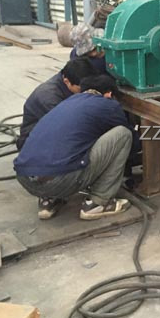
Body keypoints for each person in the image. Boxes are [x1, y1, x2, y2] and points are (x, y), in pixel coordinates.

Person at [14, 74, 139, 220]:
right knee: (123, 134)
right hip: (59, 180)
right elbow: (133, 145)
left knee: (66, 145)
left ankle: (49, 200)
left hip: (25, 177)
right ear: (109, 94)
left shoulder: (65, 103)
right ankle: (98, 203)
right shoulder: (108, 105)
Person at [17, 58, 98, 151]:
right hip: (33, 142)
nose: (87, 91)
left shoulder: (70, 78)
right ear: (67, 81)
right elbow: (69, 126)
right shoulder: (49, 97)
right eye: (82, 88)